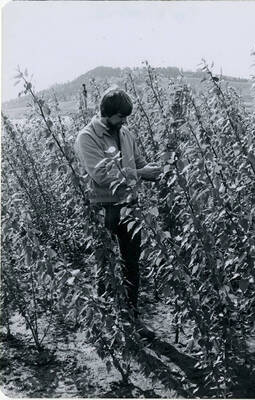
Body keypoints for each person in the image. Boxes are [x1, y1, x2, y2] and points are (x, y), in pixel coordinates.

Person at [74, 87, 161, 330]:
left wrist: (154, 170)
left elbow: (138, 162)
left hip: (130, 207)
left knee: (131, 264)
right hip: (103, 208)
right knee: (105, 266)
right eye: (120, 117)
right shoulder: (87, 137)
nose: (124, 121)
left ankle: (132, 319)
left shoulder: (126, 133)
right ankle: (105, 323)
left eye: (125, 118)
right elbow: (102, 175)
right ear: (106, 114)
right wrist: (140, 174)